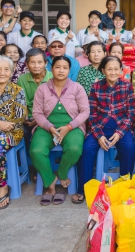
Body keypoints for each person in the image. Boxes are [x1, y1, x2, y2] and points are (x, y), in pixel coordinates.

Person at [30, 56, 90, 205]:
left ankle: (62, 174)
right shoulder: (42, 88)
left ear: (69, 70)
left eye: (65, 67)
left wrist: (69, 126)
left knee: (75, 148)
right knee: (36, 151)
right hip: (47, 127)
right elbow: (37, 113)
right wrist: (49, 127)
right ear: (51, 68)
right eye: (57, 67)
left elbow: (85, 112)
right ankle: (50, 181)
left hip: (72, 127)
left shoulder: (77, 88)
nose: (61, 70)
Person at [77, 56, 135, 200]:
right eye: (109, 69)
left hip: (121, 125)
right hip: (100, 126)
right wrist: (98, 135)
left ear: (121, 70)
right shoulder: (96, 87)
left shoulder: (127, 86)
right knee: (87, 149)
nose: (113, 72)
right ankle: (84, 188)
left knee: (129, 147)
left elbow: (131, 114)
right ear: (103, 70)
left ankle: (125, 185)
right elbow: (92, 114)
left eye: (116, 69)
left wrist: (120, 133)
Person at [0, 55, 27, 209]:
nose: (2, 73)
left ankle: (2, 185)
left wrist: (3, 125)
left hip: (12, 133)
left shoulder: (18, 91)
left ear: (11, 72)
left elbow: (17, 119)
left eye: (6, 69)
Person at [17, 48, 52, 151]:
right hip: (29, 117)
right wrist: (25, 118)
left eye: (40, 62)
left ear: (45, 63)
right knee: (23, 131)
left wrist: (38, 119)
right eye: (32, 62)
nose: (36, 66)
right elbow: (22, 102)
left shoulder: (53, 77)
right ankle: (28, 161)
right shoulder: (22, 79)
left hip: (48, 117)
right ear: (27, 64)